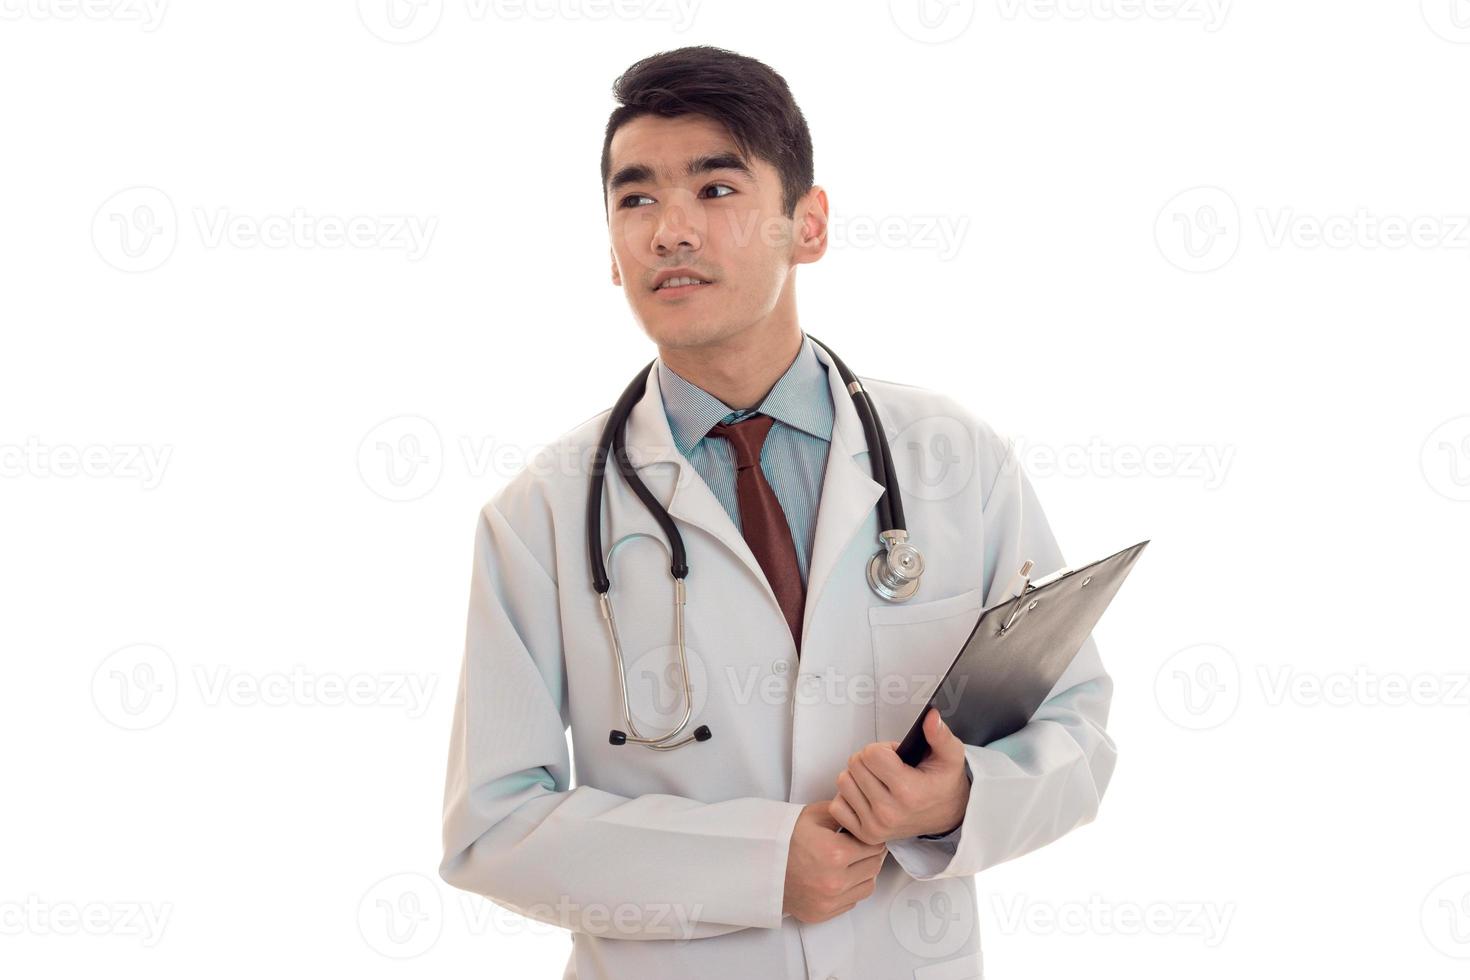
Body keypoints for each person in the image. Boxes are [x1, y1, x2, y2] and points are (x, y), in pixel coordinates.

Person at [437, 44, 1118, 979]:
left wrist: (961, 798)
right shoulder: (540, 517)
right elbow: (493, 825)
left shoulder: (951, 459)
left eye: (715, 190)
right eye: (636, 199)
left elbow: (1077, 731)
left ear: (809, 224)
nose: (669, 230)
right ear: (609, 248)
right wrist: (757, 868)